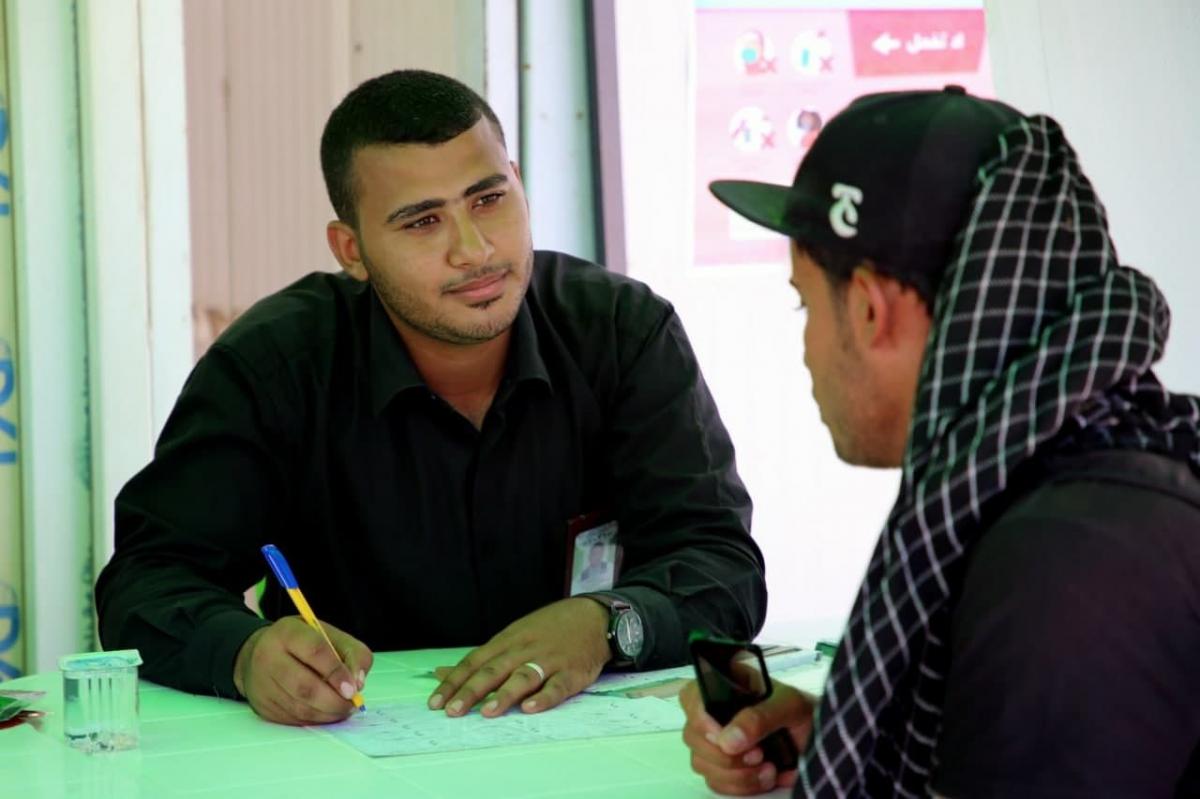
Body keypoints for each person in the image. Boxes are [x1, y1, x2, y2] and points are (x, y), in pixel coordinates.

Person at [95, 69, 767, 727]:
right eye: (421, 222)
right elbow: (147, 581)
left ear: (520, 184)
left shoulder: (621, 331)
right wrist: (243, 653)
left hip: (584, 744)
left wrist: (609, 624)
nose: (473, 251)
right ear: (352, 249)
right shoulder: (275, 365)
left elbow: (722, 564)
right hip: (357, 751)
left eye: (488, 199)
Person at [680, 86, 1200, 797]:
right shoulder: (1082, 489)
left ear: (869, 308)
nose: (804, 347)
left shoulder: (1065, 569)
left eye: (805, 302)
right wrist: (853, 736)